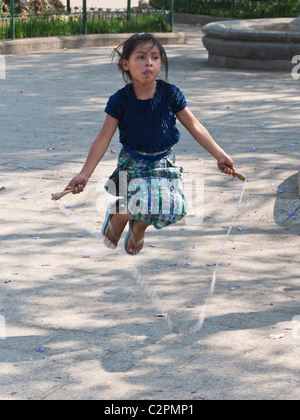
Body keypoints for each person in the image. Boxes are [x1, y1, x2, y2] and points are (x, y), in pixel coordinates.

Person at [65, 33, 235, 255]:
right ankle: (121, 214)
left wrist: (219, 154)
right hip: (133, 161)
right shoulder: (120, 100)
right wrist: (84, 174)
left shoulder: (171, 94)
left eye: (155, 57)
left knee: (174, 207)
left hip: (164, 160)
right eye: (141, 57)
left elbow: (195, 126)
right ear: (126, 64)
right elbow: (103, 139)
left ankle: (138, 224)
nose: (149, 62)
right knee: (145, 201)